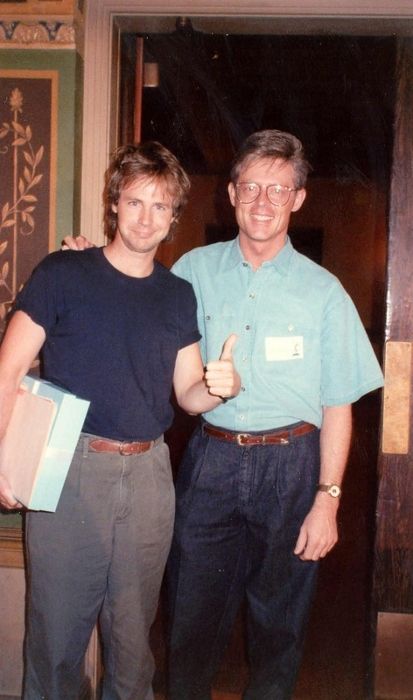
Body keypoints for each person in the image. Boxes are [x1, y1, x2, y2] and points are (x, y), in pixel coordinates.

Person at [62, 129, 384, 700]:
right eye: (252, 187)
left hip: (293, 465)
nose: (263, 202)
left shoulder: (325, 292)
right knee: (190, 620)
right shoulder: (191, 271)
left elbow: (340, 403)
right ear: (232, 193)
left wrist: (327, 500)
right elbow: (135, 303)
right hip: (210, 460)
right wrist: (86, 267)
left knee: (279, 624)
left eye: (278, 190)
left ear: (298, 199)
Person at [0, 141, 240, 700]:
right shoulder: (63, 272)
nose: (146, 218)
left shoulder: (178, 295)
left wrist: (220, 386)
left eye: (161, 207)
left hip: (150, 476)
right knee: (56, 647)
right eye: (135, 202)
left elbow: (186, 392)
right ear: (114, 204)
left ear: (174, 218)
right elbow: (8, 368)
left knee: (133, 650)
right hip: (70, 469)